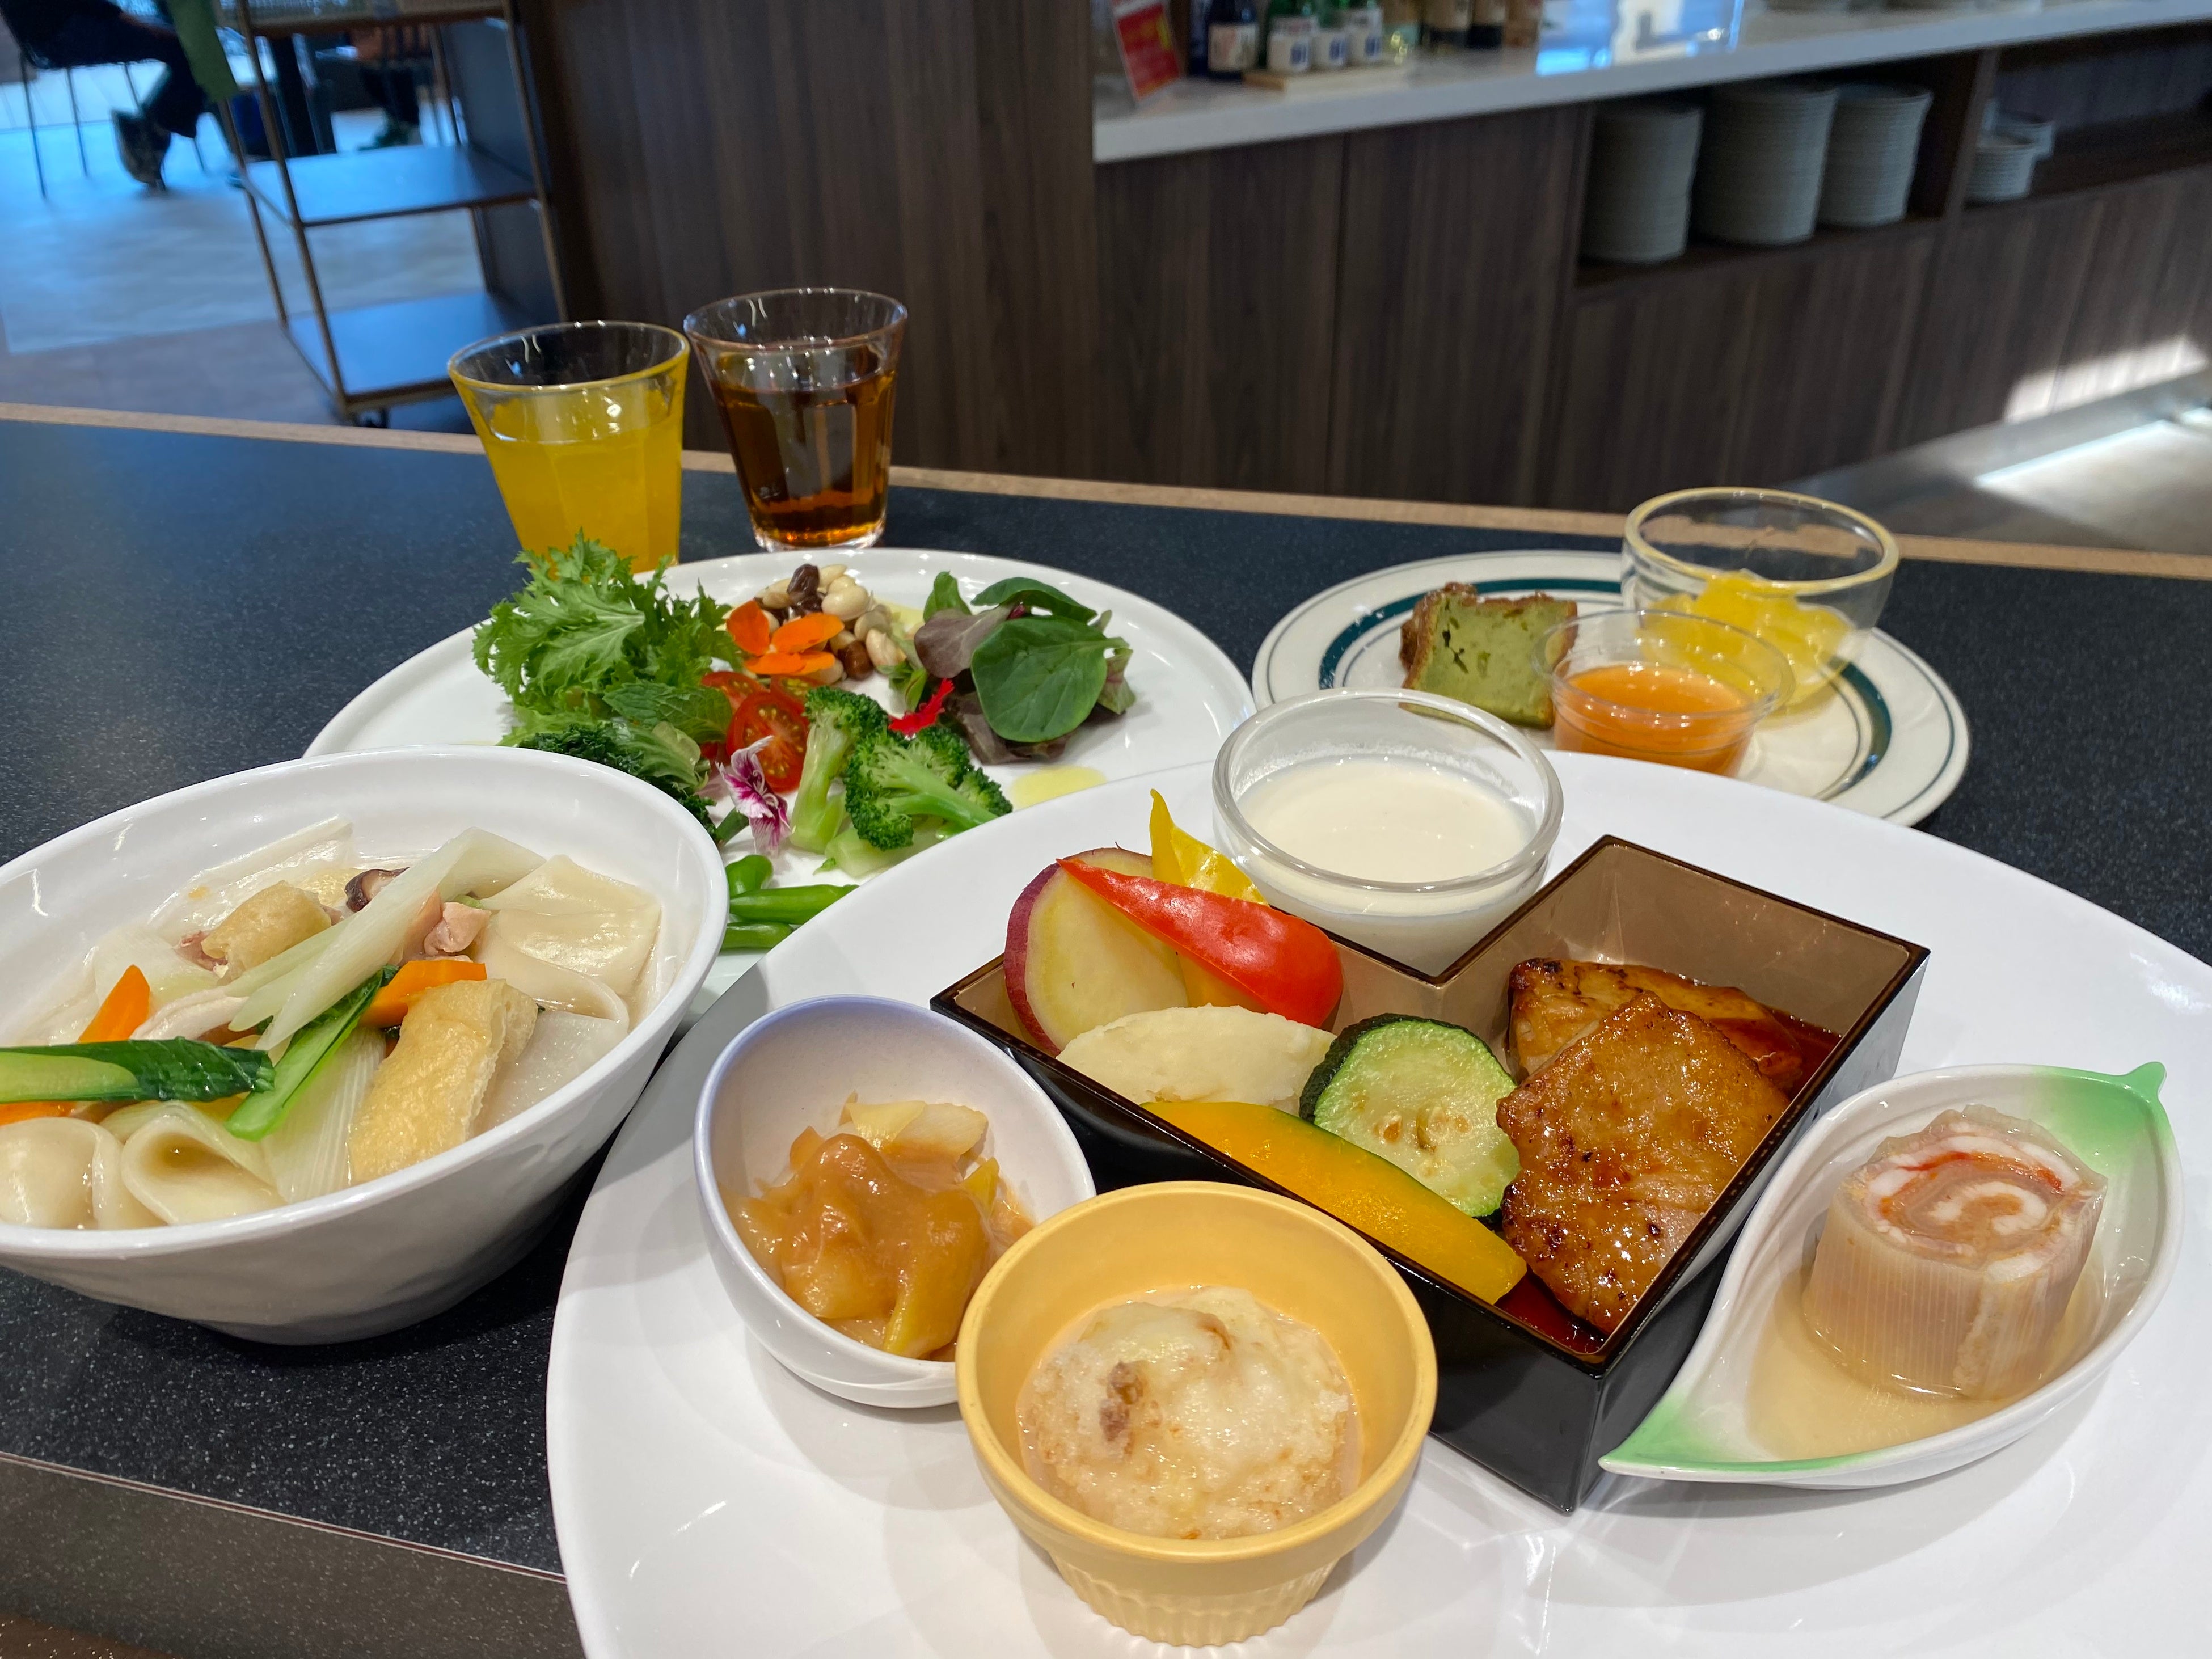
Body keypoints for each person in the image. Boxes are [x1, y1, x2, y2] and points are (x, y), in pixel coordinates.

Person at [0, 0, 208, 187]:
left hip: (48, 36)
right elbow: (87, 6)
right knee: (192, 47)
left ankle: (155, 128)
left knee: (190, 42)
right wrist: (133, 21)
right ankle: (155, 128)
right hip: (68, 33)